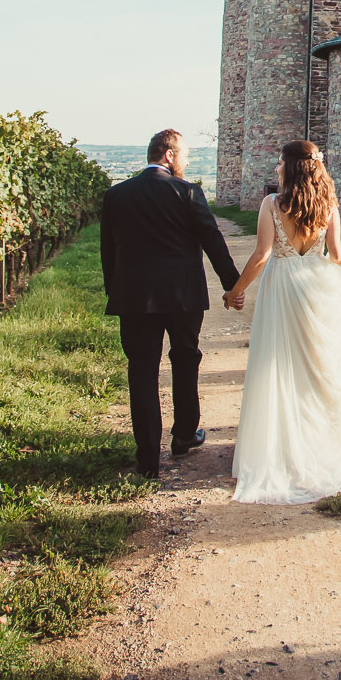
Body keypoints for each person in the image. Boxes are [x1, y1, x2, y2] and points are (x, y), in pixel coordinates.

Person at [223, 139, 341, 503]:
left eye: (279, 162)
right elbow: (334, 253)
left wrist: (235, 290)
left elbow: (262, 254)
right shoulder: (329, 204)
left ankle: (279, 449)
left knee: (279, 365)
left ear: (292, 166)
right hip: (319, 287)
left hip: (282, 287)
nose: (275, 168)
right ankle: (324, 443)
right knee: (323, 365)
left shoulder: (272, 204)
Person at [101, 128, 241, 477]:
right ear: (168, 155)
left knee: (142, 372)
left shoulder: (117, 195)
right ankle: (182, 437)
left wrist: (114, 291)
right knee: (185, 360)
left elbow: (109, 252)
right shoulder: (188, 192)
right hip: (183, 296)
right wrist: (232, 285)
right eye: (185, 154)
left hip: (135, 299)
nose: (188, 161)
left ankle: (148, 458)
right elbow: (213, 239)